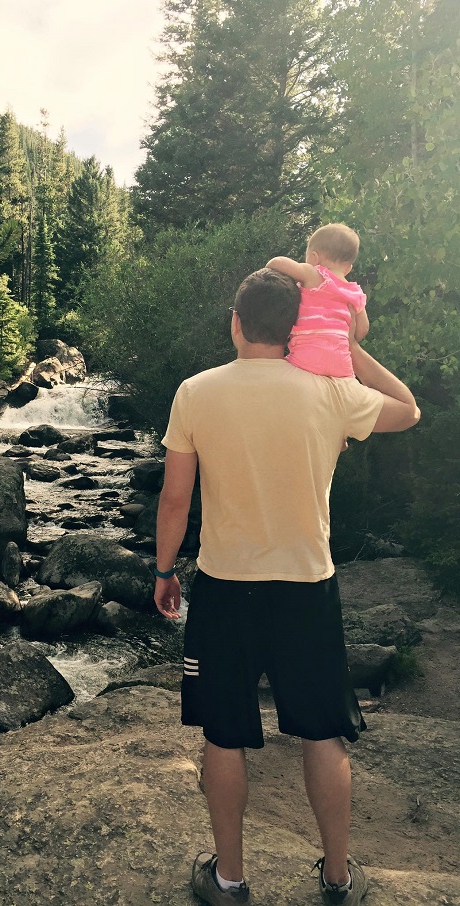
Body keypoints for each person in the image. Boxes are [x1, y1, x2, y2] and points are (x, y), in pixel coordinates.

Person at [153, 268, 420, 906]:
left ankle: (230, 880)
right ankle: (335, 880)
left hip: (224, 587)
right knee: (322, 732)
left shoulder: (197, 391)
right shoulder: (330, 392)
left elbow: (174, 497)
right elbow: (408, 410)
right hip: (307, 588)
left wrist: (165, 571)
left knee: (223, 733)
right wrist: (350, 345)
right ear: (295, 328)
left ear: (237, 323)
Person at [267, 223, 369, 379]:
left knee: (275, 373)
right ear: (348, 268)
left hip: (306, 359)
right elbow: (362, 330)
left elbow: (277, 262)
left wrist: (269, 271)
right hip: (342, 366)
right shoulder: (355, 292)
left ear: (314, 257)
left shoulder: (315, 273)